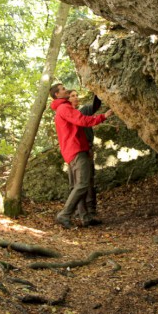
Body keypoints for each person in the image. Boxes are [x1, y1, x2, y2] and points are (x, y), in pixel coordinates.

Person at [50, 83, 113, 229]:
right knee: (82, 184)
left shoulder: (63, 108)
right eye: (63, 90)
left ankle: (85, 217)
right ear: (57, 95)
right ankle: (65, 214)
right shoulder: (64, 108)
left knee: (81, 184)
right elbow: (83, 120)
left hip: (76, 150)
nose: (66, 91)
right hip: (76, 151)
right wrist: (104, 116)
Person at [67, 90, 101, 222]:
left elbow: (95, 106)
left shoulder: (83, 110)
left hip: (86, 150)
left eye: (77, 95)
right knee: (75, 183)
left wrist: (97, 90)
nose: (76, 98)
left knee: (88, 181)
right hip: (72, 152)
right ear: (67, 99)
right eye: (72, 96)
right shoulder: (65, 114)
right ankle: (79, 212)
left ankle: (91, 210)